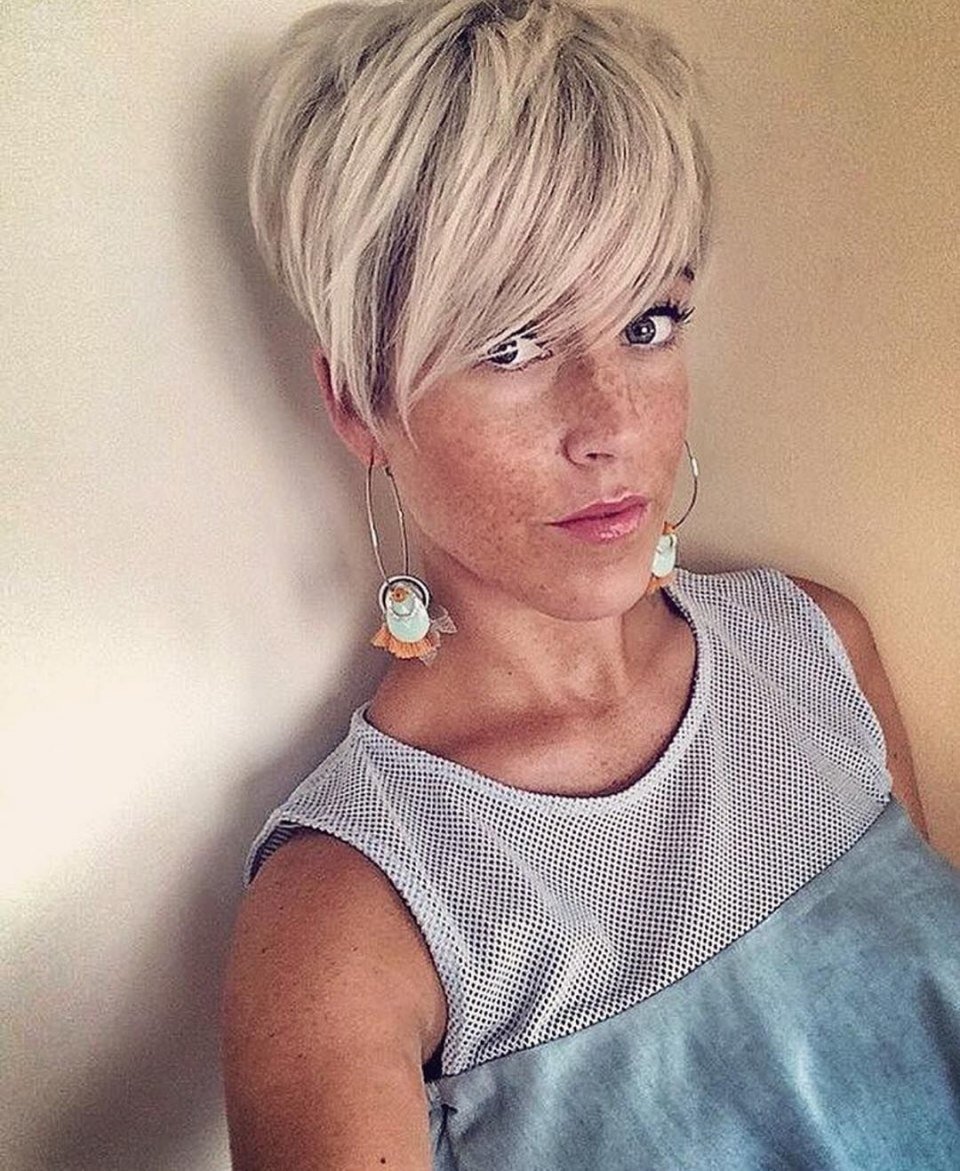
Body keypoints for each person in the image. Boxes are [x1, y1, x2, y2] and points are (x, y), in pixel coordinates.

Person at [219, 2, 960, 1168]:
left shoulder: (819, 648)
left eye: (647, 321)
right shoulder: (348, 920)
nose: (611, 421)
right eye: (511, 344)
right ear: (358, 402)